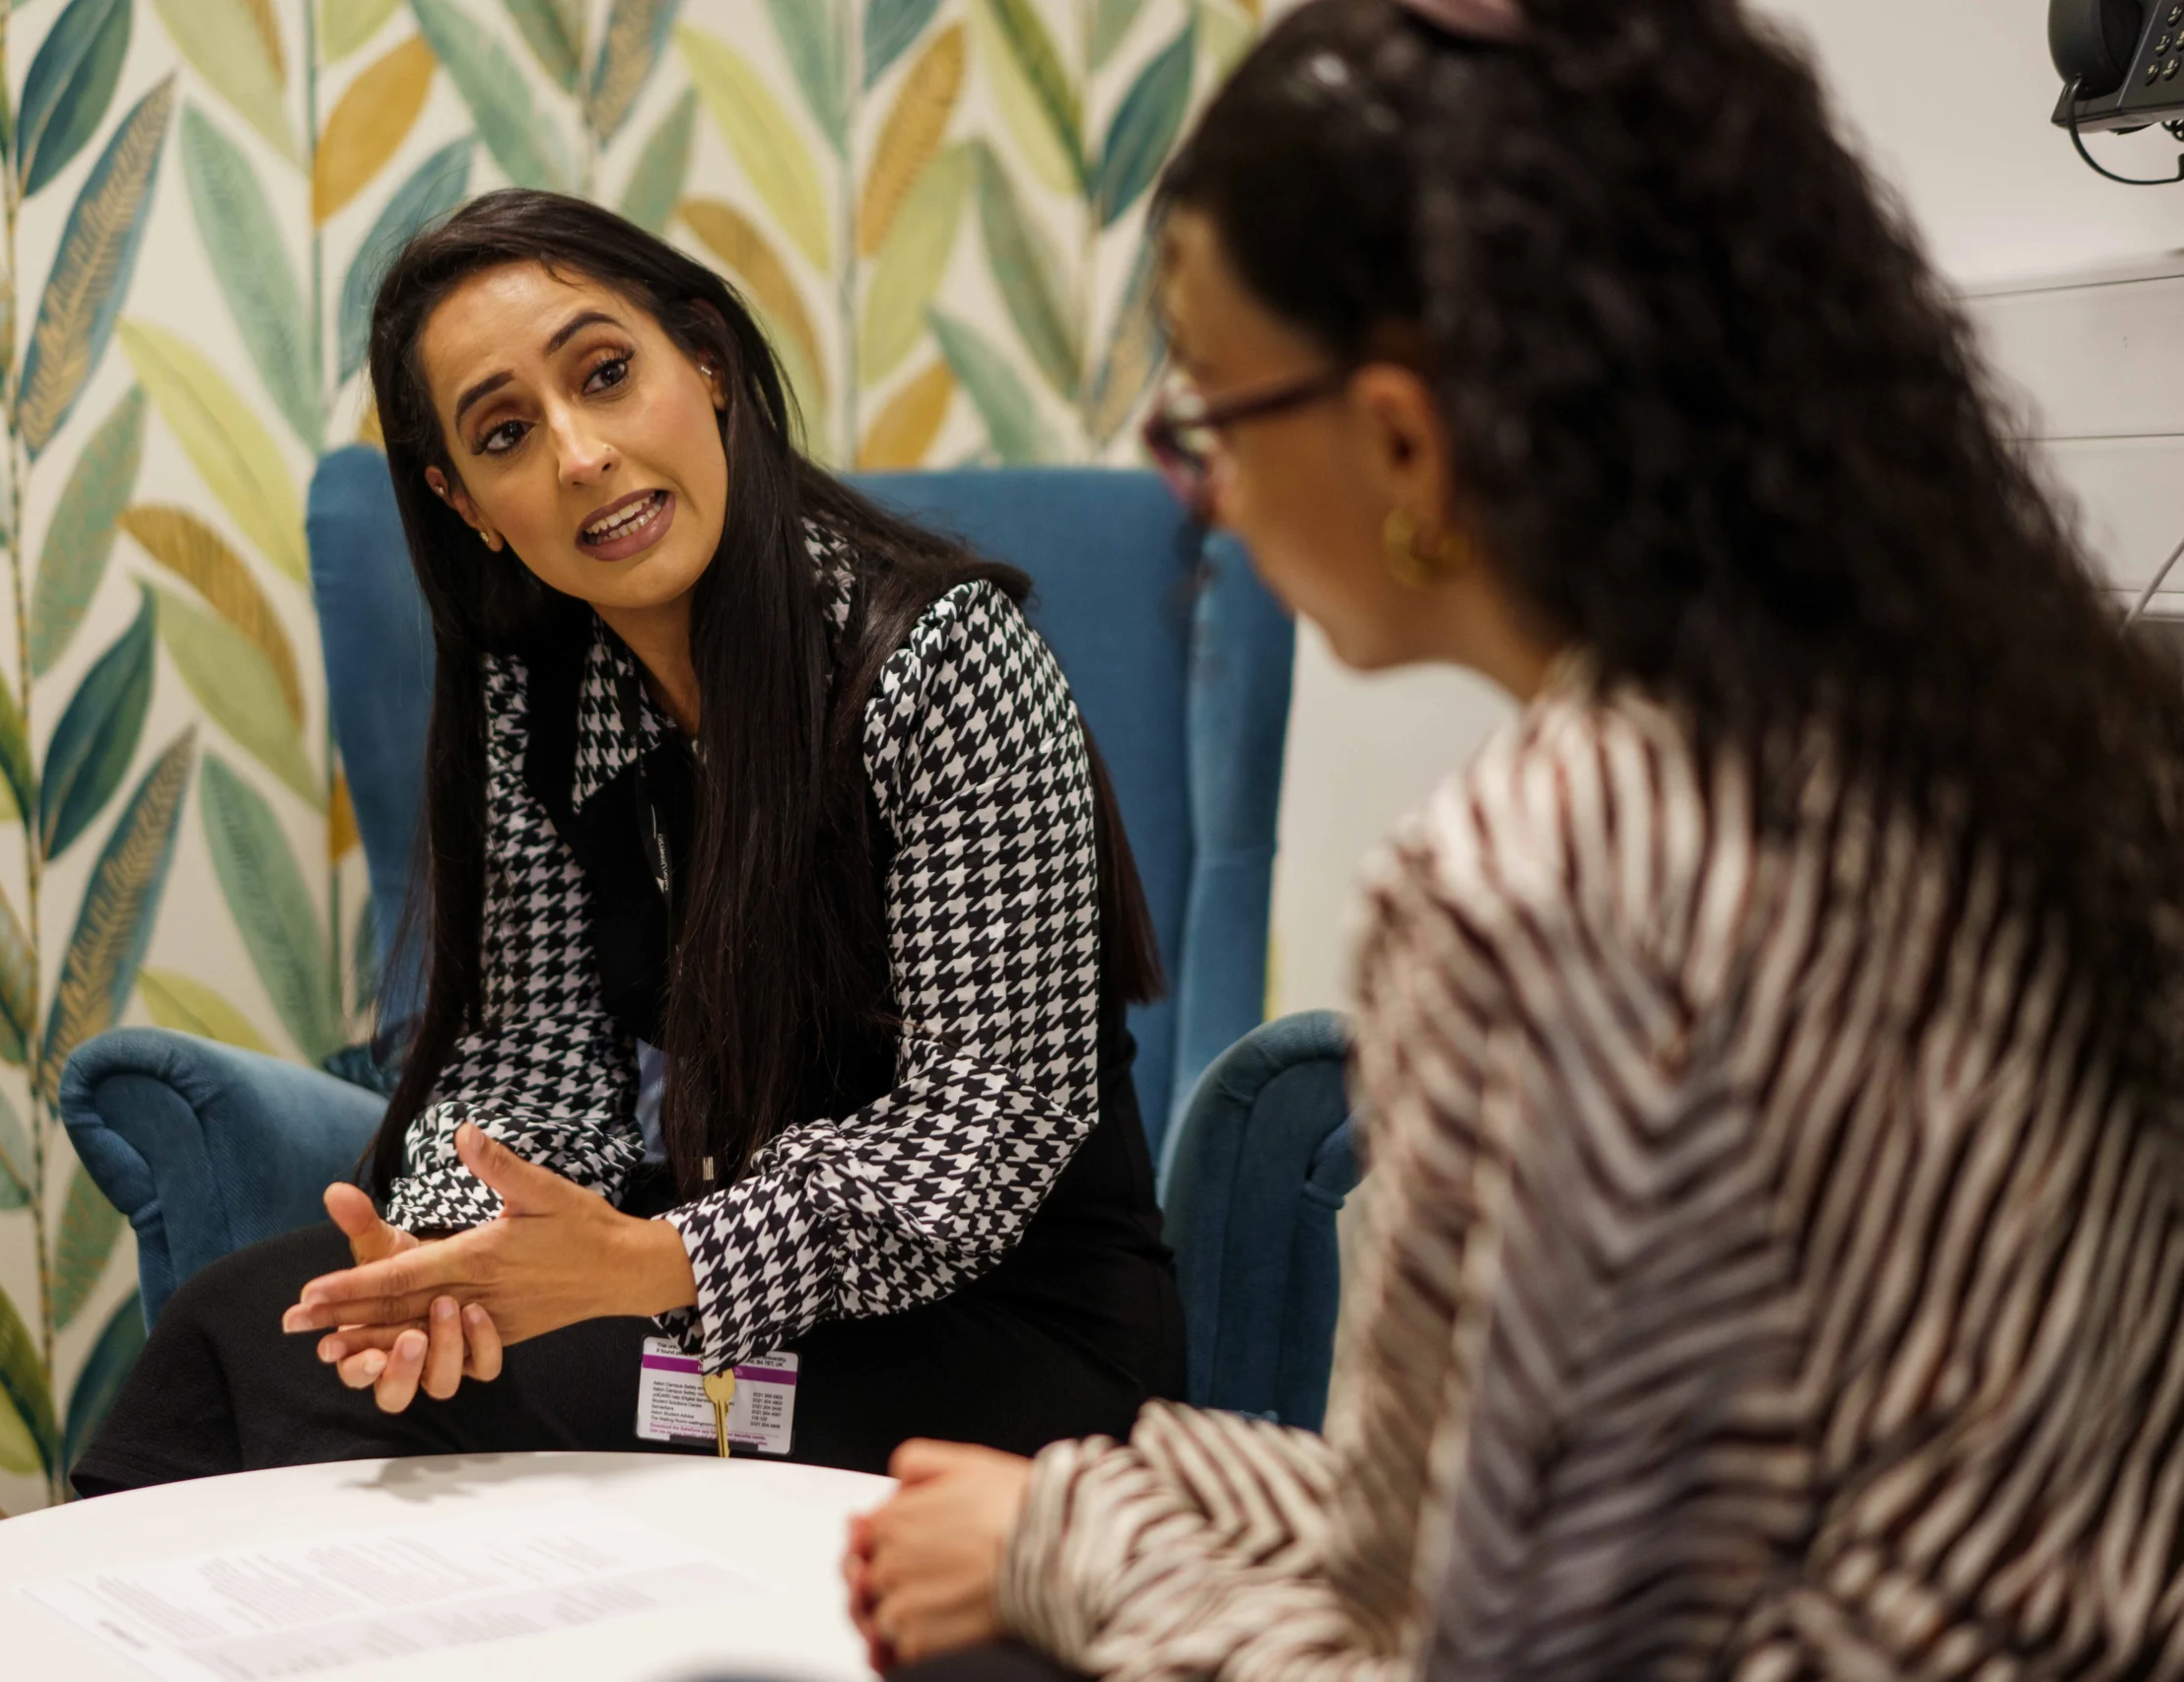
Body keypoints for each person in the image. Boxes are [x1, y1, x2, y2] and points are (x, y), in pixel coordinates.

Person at [845, 0, 2184, 1675]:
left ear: (1403, 436)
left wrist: (1059, 1553)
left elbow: (1498, 1645)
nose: (1204, 491)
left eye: (1210, 419)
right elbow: (1540, 1509)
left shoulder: (1546, 876)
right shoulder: (2035, 713)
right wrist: (1103, 1500)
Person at [70, 191, 1185, 1491]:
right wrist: (450, 1263)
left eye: (606, 374)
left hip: (1005, 1346)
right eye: (506, 432)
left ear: (706, 364)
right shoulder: (530, 698)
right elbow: (526, 1067)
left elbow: (979, 1133)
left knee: (333, 1400)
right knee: (246, 1326)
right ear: (465, 500)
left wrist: (654, 1264)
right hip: (721, 1302)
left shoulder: (943, 659)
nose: (580, 453)